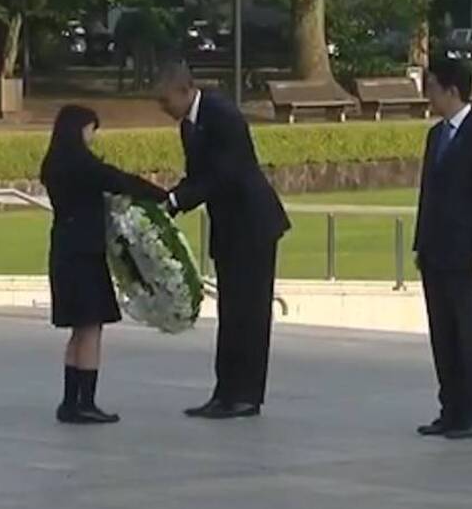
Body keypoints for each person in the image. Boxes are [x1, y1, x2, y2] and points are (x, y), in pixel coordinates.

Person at [156, 61, 290, 419]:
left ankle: (246, 394)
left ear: (185, 91)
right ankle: (226, 390)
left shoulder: (222, 115)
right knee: (231, 311)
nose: (163, 108)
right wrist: (169, 199)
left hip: (252, 225)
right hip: (230, 227)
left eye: (165, 99)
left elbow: (224, 175)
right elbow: (198, 176)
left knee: (250, 312)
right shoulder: (190, 124)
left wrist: (175, 201)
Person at [40, 105, 166, 425]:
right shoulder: (82, 163)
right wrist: (161, 195)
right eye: (91, 130)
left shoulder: (53, 163)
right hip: (85, 251)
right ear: (81, 128)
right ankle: (86, 401)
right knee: (91, 327)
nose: (92, 137)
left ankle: (70, 401)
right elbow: (117, 179)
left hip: (64, 248)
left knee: (77, 330)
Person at [413, 58, 472, 440]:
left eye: (433, 87)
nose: (428, 95)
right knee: (442, 333)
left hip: (467, 253)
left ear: (452, 90)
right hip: (436, 251)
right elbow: (428, 195)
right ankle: (450, 408)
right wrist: (421, 243)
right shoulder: (435, 136)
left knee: (468, 332)